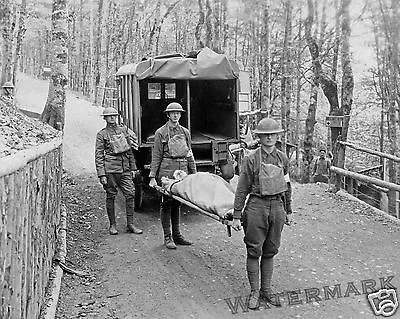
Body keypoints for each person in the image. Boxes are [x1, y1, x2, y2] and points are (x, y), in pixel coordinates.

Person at [232, 117, 293, 310]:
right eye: (265, 135)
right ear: (259, 137)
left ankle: (266, 290)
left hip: (277, 207)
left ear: (277, 136)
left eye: (272, 134)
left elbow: (287, 186)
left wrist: (288, 210)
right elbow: (242, 189)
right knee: (254, 250)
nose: (269, 138)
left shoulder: (282, 158)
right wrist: (236, 214)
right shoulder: (251, 159)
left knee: (270, 250)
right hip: (256, 207)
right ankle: (254, 292)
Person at [149, 102, 197, 249]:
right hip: (166, 171)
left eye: (178, 113)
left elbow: (189, 154)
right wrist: (152, 176)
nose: (176, 115)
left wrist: (194, 174)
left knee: (178, 202)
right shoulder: (161, 132)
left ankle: (177, 235)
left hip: (181, 171)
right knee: (167, 203)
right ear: (168, 115)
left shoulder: (185, 132)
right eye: (173, 113)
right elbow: (156, 156)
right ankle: (167, 237)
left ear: (181, 115)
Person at [95, 107, 143, 235]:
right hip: (110, 169)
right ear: (104, 118)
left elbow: (130, 151)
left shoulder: (124, 131)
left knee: (130, 193)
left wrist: (133, 168)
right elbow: (99, 155)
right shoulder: (102, 134)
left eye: (114, 116)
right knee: (111, 195)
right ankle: (112, 225)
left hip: (125, 169)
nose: (112, 118)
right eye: (109, 116)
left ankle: (130, 224)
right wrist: (102, 174)